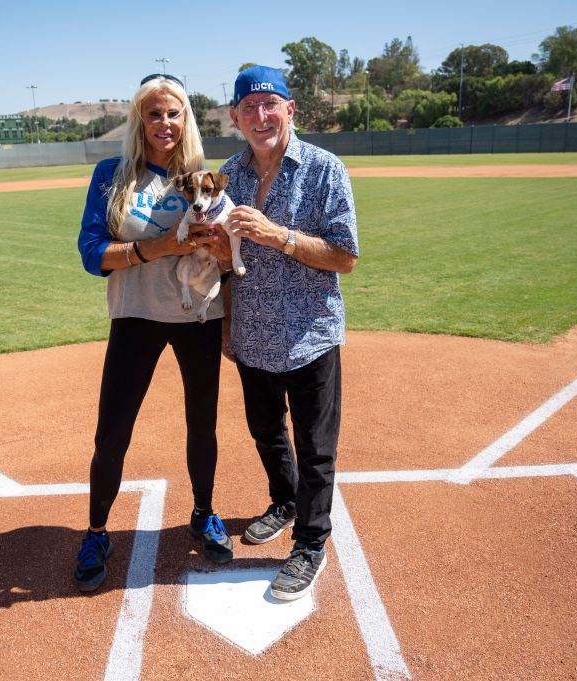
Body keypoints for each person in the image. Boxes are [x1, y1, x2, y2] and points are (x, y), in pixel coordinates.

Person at [74, 73, 233, 592]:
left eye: (173, 113)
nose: (163, 123)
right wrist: (159, 248)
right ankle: (98, 531)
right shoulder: (111, 175)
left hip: (198, 318)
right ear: (139, 120)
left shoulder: (203, 178)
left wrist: (231, 316)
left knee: (201, 423)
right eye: (153, 113)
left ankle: (204, 512)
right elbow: (92, 254)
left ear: (185, 119)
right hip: (135, 315)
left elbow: (230, 261)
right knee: (112, 429)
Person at [219, 65, 359, 601]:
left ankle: (310, 543)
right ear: (235, 117)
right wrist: (228, 327)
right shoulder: (228, 174)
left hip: (310, 335)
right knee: (266, 431)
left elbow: (344, 257)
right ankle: (284, 500)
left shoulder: (325, 169)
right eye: (248, 108)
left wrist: (278, 236)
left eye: (269, 105)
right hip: (252, 335)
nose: (260, 117)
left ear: (290, 109)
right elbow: (225, 263)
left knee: (316, 447)